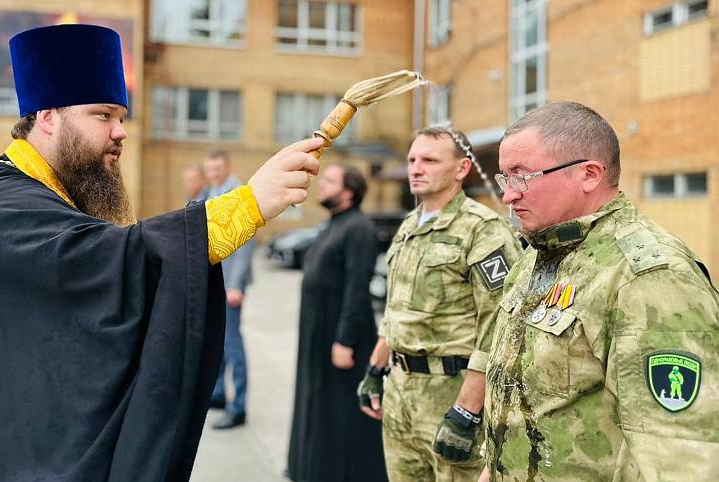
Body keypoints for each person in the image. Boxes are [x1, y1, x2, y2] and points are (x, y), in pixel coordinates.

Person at [0, 24, 322, 482]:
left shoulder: (25, 194)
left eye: (122, 117)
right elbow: (109, 259)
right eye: (103, 115)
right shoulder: (2, 208)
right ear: (48, 115)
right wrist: (247, 204)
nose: (120, 132)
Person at [481, 101, 719, 481]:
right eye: (504, 178)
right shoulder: (537, 257)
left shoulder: (647, 277)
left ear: (589, 174)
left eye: (522, 176)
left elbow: (681, 455)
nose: (509, 195)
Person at [357, 125, 522, 481]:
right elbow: (396, 309)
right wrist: (375, 369)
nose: (416, 168)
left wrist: (468, 410)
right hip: (400, 394)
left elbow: (500, 326)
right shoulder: (408, 227)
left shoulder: (484, 229)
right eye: (413, 159)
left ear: (461, 169)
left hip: (451, 395)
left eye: (430, 160)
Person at [287, 164, 388, 482]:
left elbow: (358, 289)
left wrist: (344, 340)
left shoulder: (358, 228)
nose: (321, 185)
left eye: (329, 180)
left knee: (341, 413)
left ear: (348, 191)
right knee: (317, 402)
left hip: (342, 340)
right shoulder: (334, 224)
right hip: (318, 334)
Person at [204, 150, 256, 429]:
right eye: (210, 168)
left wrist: (236, 285)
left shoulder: (236, 192)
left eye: (218, 167)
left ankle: (239, 407)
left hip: (230, 285)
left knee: (233, 346)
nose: (214, 172)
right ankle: (220, 395)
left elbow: (247, 242)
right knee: (218, 342)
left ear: (228, 167)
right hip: (215, 281)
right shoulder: (212, 191)